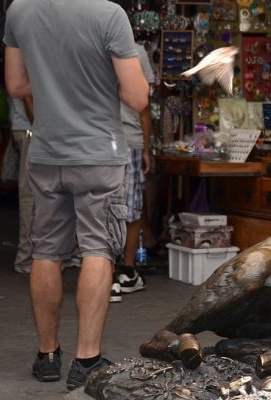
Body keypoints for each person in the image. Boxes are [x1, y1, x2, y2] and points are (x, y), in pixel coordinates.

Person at [3, 0, 149, 390]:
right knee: (97, 249)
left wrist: (59, 82)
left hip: (48, 151)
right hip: (98, 154)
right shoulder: (108, 14)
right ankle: (86, 359)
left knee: (46, 251)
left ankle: (47, 355)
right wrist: (97, 80)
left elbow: (16, 85)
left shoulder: (20, 10)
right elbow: (138, 98)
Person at [111, 41, 154, 303]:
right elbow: (143, 104)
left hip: (95, 141)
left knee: (100, 209)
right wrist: (147, 148)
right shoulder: (136, 52)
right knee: (131, 210)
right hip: (128, 140)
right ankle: (126, 270)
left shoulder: (87, 46)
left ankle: (106, 270)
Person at [8, 95, 33, 274]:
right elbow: (27, 93)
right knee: (30, 194)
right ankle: (27, 256)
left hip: (28, 126)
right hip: (31, 127)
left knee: (33, 193)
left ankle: (30, 255)